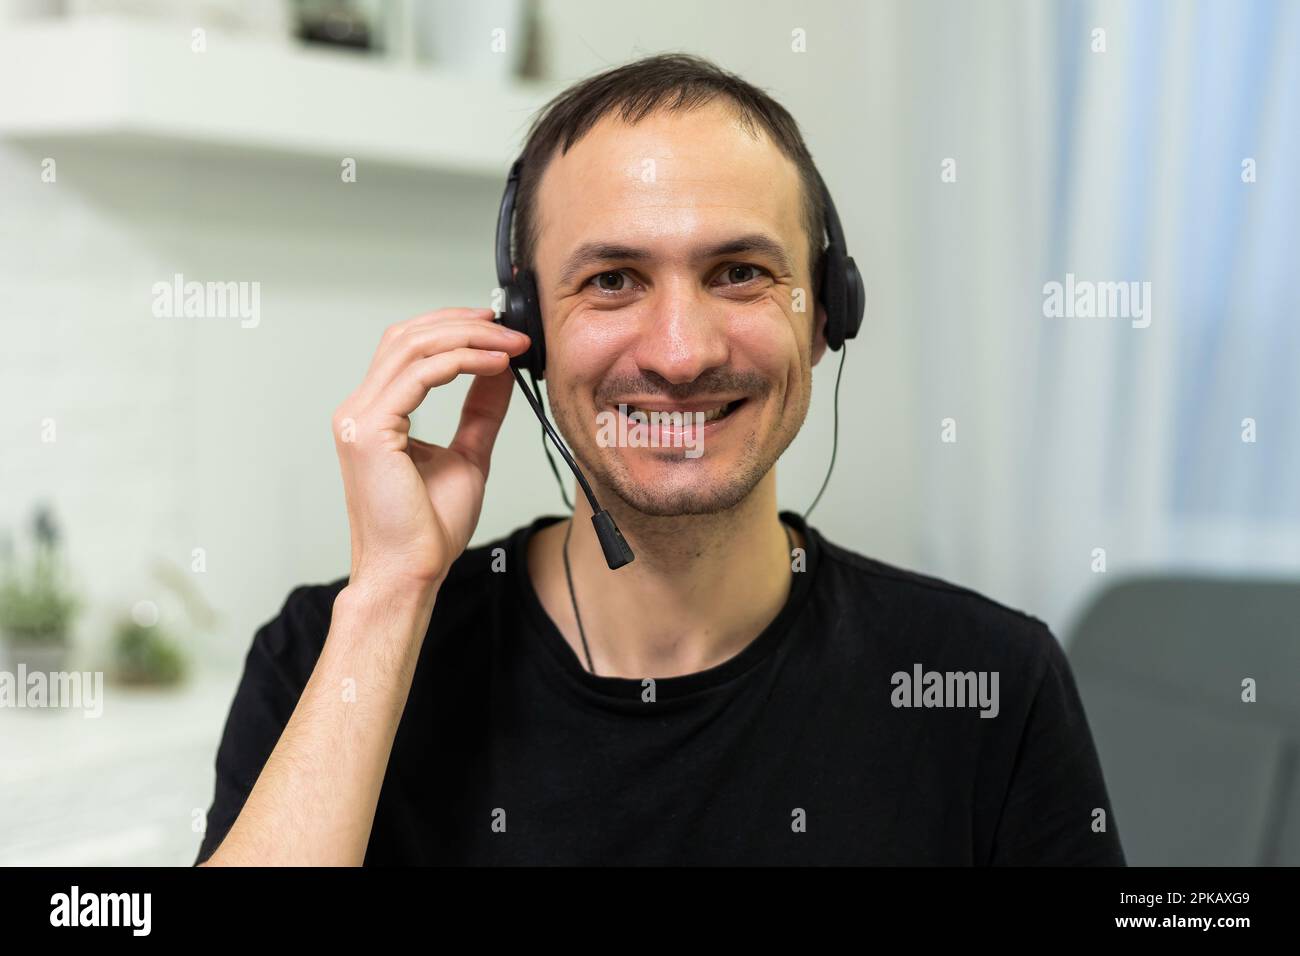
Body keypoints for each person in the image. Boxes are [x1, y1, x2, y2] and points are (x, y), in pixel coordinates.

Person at [196, 53, 1124, 866]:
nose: (681, 354)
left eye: (739, 274)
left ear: (829, 314)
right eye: (612, 281)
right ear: (525, 332)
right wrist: (394, 593)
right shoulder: (327, 657)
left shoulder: (989, 682)